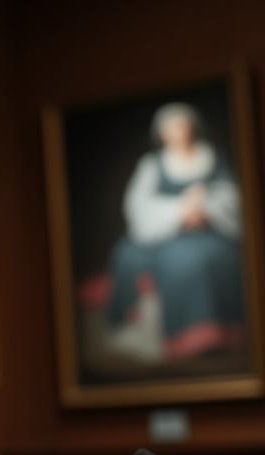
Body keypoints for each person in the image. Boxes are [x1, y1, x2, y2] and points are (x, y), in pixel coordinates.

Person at [103, 102, 243, 362]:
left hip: (208, 232)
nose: (178, 132)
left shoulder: (211, 158)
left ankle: (218, 333)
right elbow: (139, 207)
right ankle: (176, 338)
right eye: (171, 127)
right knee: (141, 257)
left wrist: (206, 208)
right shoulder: (153, 165)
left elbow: (231, 197)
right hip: (167, 233)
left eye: (182, 125)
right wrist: (180, 210)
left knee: (212, 258)